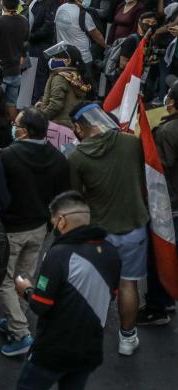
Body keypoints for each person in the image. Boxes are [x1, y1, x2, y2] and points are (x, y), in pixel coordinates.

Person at [14, 191, 120, 390]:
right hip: (88, 350)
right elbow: (111, 296)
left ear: (61, 221)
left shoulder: (58, 254)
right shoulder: (111, 253)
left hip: (52, 351)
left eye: (53, 221)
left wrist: (26, 290)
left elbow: (41, 305)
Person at [67, 102, 148, 355]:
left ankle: (92, 331)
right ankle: (127, 337)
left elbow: (74, 198)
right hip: (134, 227)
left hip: (99, 232)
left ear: (79, 128)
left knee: (96, 285)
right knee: (129, 285)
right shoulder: (132, 144)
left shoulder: (76, 157)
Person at [0, 107, 70, 357]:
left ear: (25, 131)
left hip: (12, 229)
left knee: (4, 280)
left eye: (17, 124)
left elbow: (0, 194)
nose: (13, 126)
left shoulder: (7, 156)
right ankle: (16, 316)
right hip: (39, 229)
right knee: (24, 277)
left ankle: (20, 330)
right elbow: (61, 198)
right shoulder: (59, 160)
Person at [142, 83, 178, 324]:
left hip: (168, 203)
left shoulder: (167, 132)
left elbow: (159, 170)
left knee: (160, 255)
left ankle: (157, 306)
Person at [35, 44, 91, 130]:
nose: (52, 60)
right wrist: (43, 102)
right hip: (70, 125)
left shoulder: (59, 78)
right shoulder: (74, 75)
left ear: (68, 61)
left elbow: (55, 105)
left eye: (56, 57)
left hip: (57, 126)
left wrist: (40, 118)